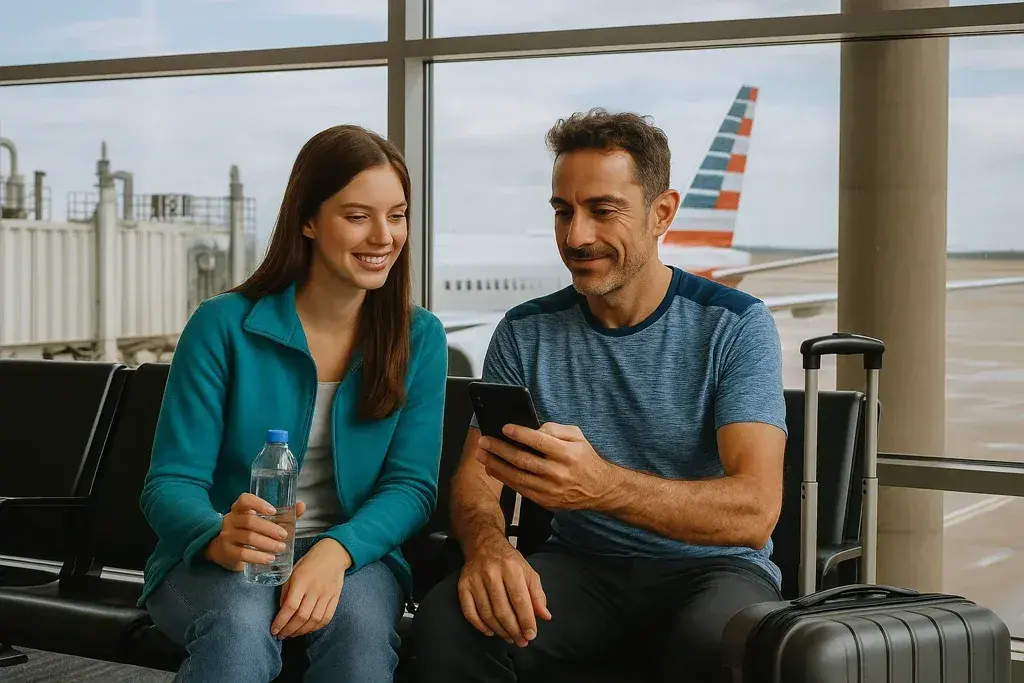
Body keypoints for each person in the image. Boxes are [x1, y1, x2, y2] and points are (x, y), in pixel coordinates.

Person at [412, 109, 787, 683]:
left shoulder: (736, 325)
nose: (576, 236)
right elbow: (477, 478)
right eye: (563, 212)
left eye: (602, 211)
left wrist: (603, 486)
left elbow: (755, 512)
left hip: (712, 569)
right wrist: (490, 552)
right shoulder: (525, 330)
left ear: (662, 213)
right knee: (452, 619)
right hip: (584, 566)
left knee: (713, 641)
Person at [139, 124, 449, 683]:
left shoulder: (419, 337)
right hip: (220, 557)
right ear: (308, 220)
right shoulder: (222, 326)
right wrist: (216, 535)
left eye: (397, 215)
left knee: (357, 637)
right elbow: (169, 483)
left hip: (355, 555)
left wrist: (337, 550)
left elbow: (411, 487)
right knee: (238, 624)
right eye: (357, 216)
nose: (384, 236)